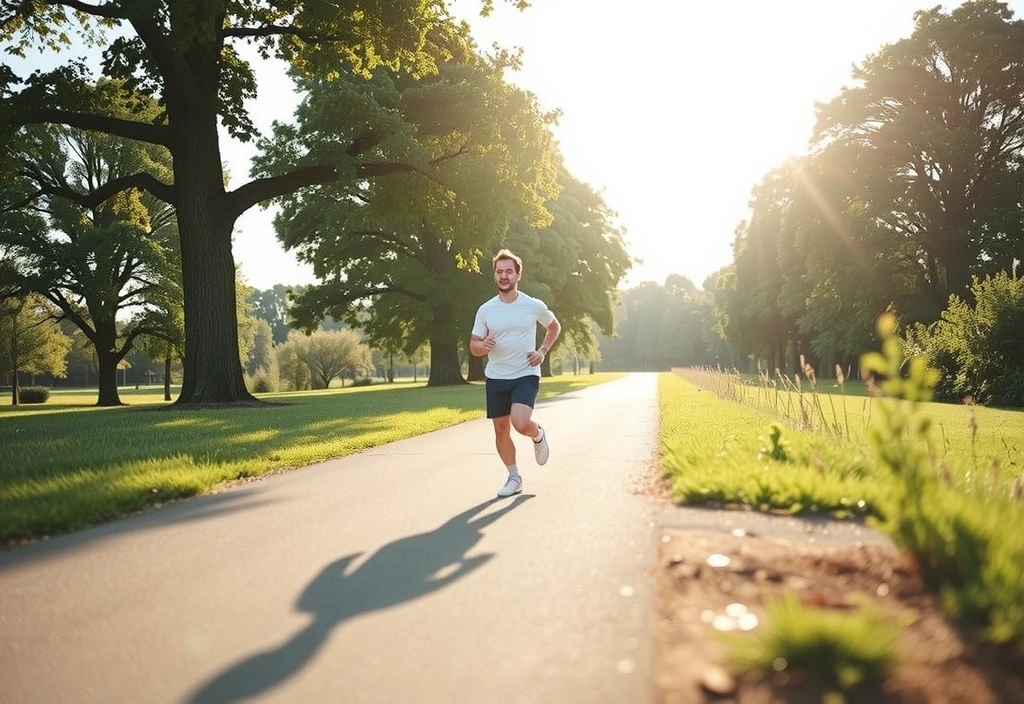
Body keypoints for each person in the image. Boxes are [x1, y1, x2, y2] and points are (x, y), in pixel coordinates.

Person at [470, 248, 561, 497]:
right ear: (495, 275)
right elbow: (474, 345)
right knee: (501, 429)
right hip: (496, 376)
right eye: (499, 272)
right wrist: (482, 345)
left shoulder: (532, 305)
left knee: (520, 423)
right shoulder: (486, 309)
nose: (504, 276)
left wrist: (542, 351)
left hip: (525, 373)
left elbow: (553, 326)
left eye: (509, 271)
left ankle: (538, 434)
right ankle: (514, 477)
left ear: (518, 274)